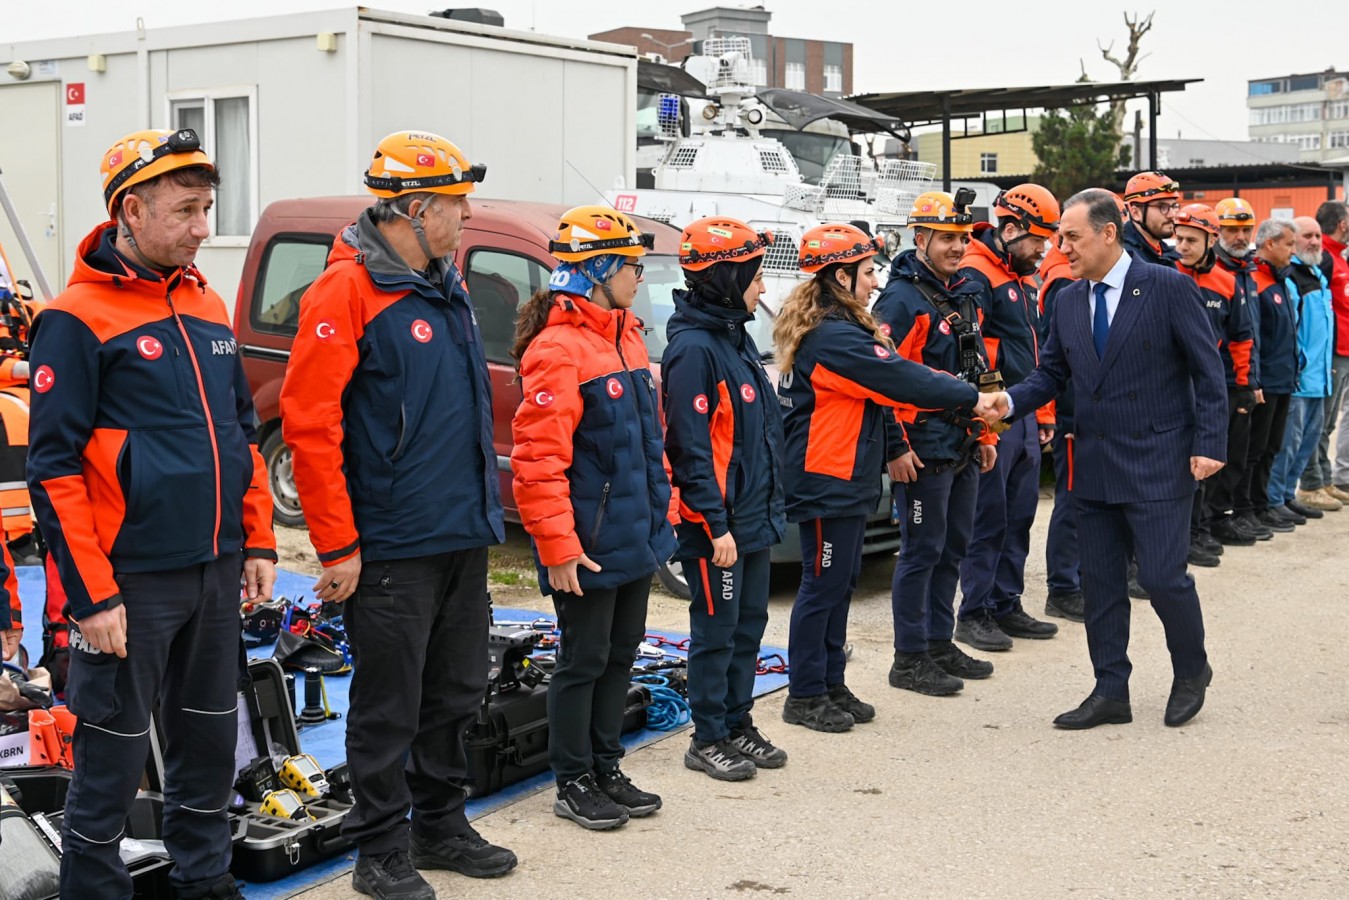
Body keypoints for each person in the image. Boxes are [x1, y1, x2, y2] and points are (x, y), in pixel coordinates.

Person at [26, 128, 277, 899]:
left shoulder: (206, 304)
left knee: (209, 737)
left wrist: (258, 539)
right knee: (112, 752)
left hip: (215, 569)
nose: (203, 227)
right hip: (130, 583)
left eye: (206, 208)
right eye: (186, 210)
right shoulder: (74, 318)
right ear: (131, 211)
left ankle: (205, 879)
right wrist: (92, 596)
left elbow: (240, 434)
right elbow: (53, 470)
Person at [281, 131, 516, 900]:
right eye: (456, 203)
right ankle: (379, 850)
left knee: (455, 689)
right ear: (414, 209)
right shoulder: (345, 292)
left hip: (458, 532)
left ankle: (439, 825)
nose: (467, 215)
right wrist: (337, 545)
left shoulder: (444, 286)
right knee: (388, 706)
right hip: (390, 543)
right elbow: (309, 425)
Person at [986, 188, 1227, 729]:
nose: (1062, 247)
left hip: (1158, 460)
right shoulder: (1069, 299)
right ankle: (1110, 689)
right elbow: (1052, 373)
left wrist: (1210, 443)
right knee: (1100, 583)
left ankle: (1192, 670)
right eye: (1059, 238)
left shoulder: (1167, 286)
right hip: (1093, 461)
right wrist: (1009, 403)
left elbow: (1208, 370)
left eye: (1072, 236)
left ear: (1108, 233)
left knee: (1163, 578)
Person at [774, 222, 995, 732]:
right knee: (822, 587)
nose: (876, 282)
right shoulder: (833, 337)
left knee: (839, 584)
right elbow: (898, 377)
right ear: (841, 276)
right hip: (826, 478)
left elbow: (882, 390)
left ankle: (830, 683)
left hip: (844, 474)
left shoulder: (837, 327)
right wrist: (972, 398)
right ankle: (804, 694)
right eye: (868, 271)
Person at [510, 206, 675, 830]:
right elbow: (537, 460)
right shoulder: (556, 349)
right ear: (599, 270)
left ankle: (607, 766)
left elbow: (649, 441)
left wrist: (665, 512)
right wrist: (557, 547)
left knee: (622, 652)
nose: (639, 277)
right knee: (583, 660)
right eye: (632, 266)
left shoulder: (626, 334)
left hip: (634, 533)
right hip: (586, 543)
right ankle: (573, 779)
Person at [661, 216, 787, 781]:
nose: (763, 287)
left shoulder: (734, 339)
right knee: (716, 632)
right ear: (726, 278)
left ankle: (738, 723)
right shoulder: (693, 351)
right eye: (755, 277)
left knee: (749, 625)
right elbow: (689, 449)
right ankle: (708, 736)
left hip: (751, 519)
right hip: (719, 529)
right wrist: (715, 526)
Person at [872, 191, 999, 697]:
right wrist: (895, 446)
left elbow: (977, 368)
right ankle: (909, 658)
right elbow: (881, 379)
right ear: (920, 238)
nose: (958, 247)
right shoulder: (901, 301)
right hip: (922, 447)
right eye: (947, 238)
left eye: (962, 238)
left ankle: (938, 643)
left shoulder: (963, 292)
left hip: (962, 440)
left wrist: (986, 432)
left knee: (953, 547)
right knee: (922, 552)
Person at [954, 184, 1061, 652]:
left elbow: (1036, 351)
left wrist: (1044, 410)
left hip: (1024, 411)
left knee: (1019, 515)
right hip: (996, 416)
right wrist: (985, 428)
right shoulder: (977, 273)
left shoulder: (1021, 275)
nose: (1044, 250)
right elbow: (972, 356)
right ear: (1012, 229)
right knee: (989, 517)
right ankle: (974, 611)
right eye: (1038, 239)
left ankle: (1005, 602)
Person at [1172, 203, 1256, 563]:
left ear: (1211, 239)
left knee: (1208, 461)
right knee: (1178, 466)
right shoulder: (1166, 273)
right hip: (1172, 386)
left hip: (1210, 385)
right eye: (1179, 238)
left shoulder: (1226, 282)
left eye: (1191, 240)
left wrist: (1245, 385)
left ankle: (1198, 529)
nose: (1183, 246)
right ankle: (1183, 535)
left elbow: (1241, 337)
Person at [1210, 197, 1278, 535]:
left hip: (1244, 378)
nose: (1240, 236)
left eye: (1246, 229)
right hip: (1220, 379)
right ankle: (1211, 521)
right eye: (1231, 229)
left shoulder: (1248, 271)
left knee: (1240, 453)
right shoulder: (1214, 270)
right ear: (1217, 231)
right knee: (1217, 455)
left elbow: (1251, 334)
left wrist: (1253, 379)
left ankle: (1227, 515)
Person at [1237, 219, 1308, 534]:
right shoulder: (1257, 282)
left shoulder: (1280, 281)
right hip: (1264, 383)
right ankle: (1246, 508)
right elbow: (1253, 338)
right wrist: (1255, 380)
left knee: (1271, 448)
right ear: (1269, 244)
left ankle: (1262, 504)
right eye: (1289, 244)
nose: (1293, 251)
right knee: (1254, 449)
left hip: (1283, 380)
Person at [1271, 217, 1339, 514]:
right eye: (1307, 236)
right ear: (1293, 241)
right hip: (1300, 380)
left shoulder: (1317, 276)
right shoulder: (1291, 278)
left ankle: (1288, 495)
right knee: (1287, 444)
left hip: (1320, 380)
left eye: (1318, 236)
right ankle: (1274, 499)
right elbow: (1291, 332)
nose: (1314, 242)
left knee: (1307, 443)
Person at [1301, 201, 1349, 501]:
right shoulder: (1325, 260)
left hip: (1343, 351)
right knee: (1321, 422)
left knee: (1329, 421)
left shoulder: (1339, 258)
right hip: (1331, 353)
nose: (1314, 241)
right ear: (1342, 223)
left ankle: (1325, 478)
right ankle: (1311, 483)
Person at [1121, 171, 1182, 268]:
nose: (1172, 214)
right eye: (1162, 207)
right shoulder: (1123, 257)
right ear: (1136, 213)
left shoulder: (1168, 254)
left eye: (1174, 206)